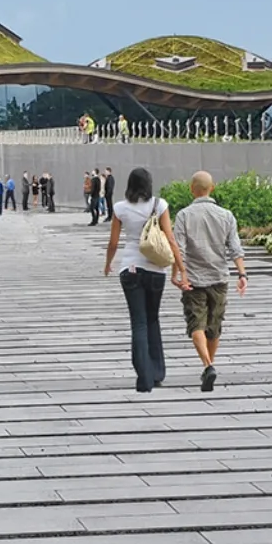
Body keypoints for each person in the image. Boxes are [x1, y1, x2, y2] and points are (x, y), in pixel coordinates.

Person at [105, 167, 187, 394]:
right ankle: (157, 372)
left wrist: (108, 263)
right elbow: (170, 238)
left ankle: (144, 376)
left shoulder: (120, 208)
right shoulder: (159, 205)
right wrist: (180, 268)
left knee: (138, 322)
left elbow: (113, 242)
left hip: (130, 268)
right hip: (156, 270)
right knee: (152, 319)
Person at [173, 171, 247, 392]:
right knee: (214, 327)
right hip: (219, 278)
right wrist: (242, 274)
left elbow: (179, 249)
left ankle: (208, 365)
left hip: (193, 279)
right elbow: (235, 248)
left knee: (196, 323)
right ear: (212, 188)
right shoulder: (226, 215)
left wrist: (177, 274)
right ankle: (209, 366)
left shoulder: (184, 215)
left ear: (191, 188)